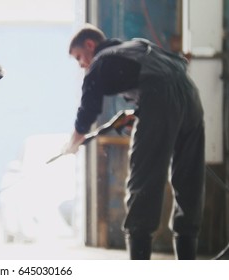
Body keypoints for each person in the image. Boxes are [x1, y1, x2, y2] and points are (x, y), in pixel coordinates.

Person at [63, 24, 205, 260]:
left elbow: (88, 109)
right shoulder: (138, 46)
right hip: (191, 96)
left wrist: (73, 143)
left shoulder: (101, 60)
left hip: (161, 99)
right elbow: (161, 80)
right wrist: (142, 111)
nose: (81, 64)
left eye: (79, 57)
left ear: (90, 45)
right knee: (189, 180)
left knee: (144, 180)